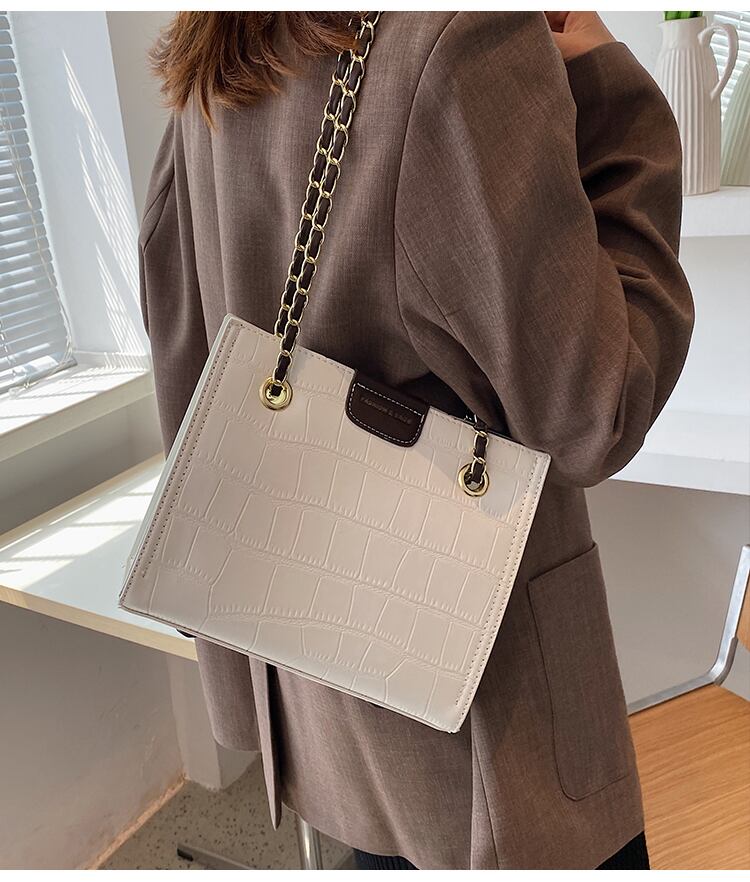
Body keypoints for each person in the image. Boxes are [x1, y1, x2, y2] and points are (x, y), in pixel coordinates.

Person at [139, 11, 694, 870]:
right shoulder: (461, 42)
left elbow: (183, 340)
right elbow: (597, 412)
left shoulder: (217, 41)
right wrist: (603, 76)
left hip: (320, 684)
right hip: (487, 742)